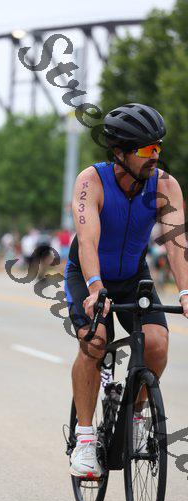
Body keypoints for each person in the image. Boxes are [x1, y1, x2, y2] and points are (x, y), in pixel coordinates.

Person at [64, 103, 188, 477]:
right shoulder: (91, 182)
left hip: (133, 276)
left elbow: (176, 244)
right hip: (89, 274)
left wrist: (185, 293)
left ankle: (135, 416)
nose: (156, 156)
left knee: (157, 344)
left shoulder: (165, 185)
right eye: (147, 149)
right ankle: (85, 440)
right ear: (120, 152)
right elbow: (87, 241)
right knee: (95, 341)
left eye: (158, 147)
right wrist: (95, 288)